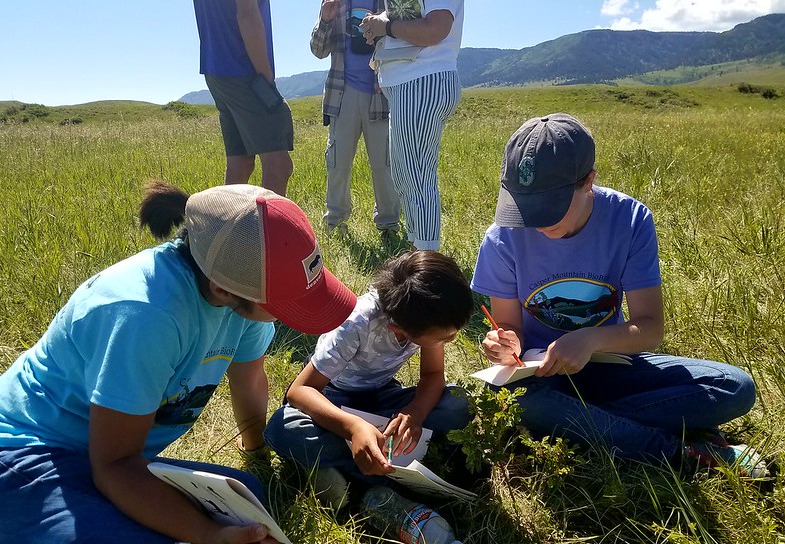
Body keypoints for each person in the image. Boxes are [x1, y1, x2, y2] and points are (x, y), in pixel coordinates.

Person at [0, 183, 357, 544]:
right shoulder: (145, 316)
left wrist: (257, 459)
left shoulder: (239, 292)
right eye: (285, 302)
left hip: (96, 457)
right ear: (222, 288)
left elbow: (248, 377)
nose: (293, 312)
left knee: (246, 501)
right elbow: (115, 466)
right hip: (15, 461)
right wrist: (209, 533)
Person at [471, 113, 766, 477]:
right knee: (524, 403)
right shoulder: (502, 237)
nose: (536, 222)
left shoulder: (630, 220)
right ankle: (679, 451)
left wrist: (591, 339)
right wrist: (505, 342)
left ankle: (585, 427)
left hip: (610, 364)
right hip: (540, 380)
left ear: (588, 181)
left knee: (735, 386)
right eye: (524, 208)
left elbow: (650, 329)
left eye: (550, 209)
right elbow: (508, 326)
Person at [264, 250, 474, 508]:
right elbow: (299, 390)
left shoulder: (423, 314)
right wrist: (353, 428)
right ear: (398, 328)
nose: (449, 340)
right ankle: (369, 470)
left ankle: (346, 469)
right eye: (444, 338)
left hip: (382, 396)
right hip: (334, 397)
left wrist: (414, 414)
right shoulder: (357, 322)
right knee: (284, 427)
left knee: (458, 402)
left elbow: (432, 376)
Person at [360, 0, 464, 251]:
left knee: (417, 178)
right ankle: (417, 249)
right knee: (404, 178)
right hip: (407, 84)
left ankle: (426, 264)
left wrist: (386, 26)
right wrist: (377, 22)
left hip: (421, 80)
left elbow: (435, 29)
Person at [311, 0, 401, 244]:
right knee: (337, 163)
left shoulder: (387, 3)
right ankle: (335, 223)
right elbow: (318, 51)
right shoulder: (334, 3)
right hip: (342, 93)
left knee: (384, 165)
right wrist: (326, 19)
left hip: (380, 92)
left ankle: (389, 225)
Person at [193, 0, 294, 193]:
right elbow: (247, 14)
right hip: (244, 69)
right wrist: (265, 75)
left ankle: (226, 223)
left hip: (216, 68)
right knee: (279, 165)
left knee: (241, 161)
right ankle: (267, 224)